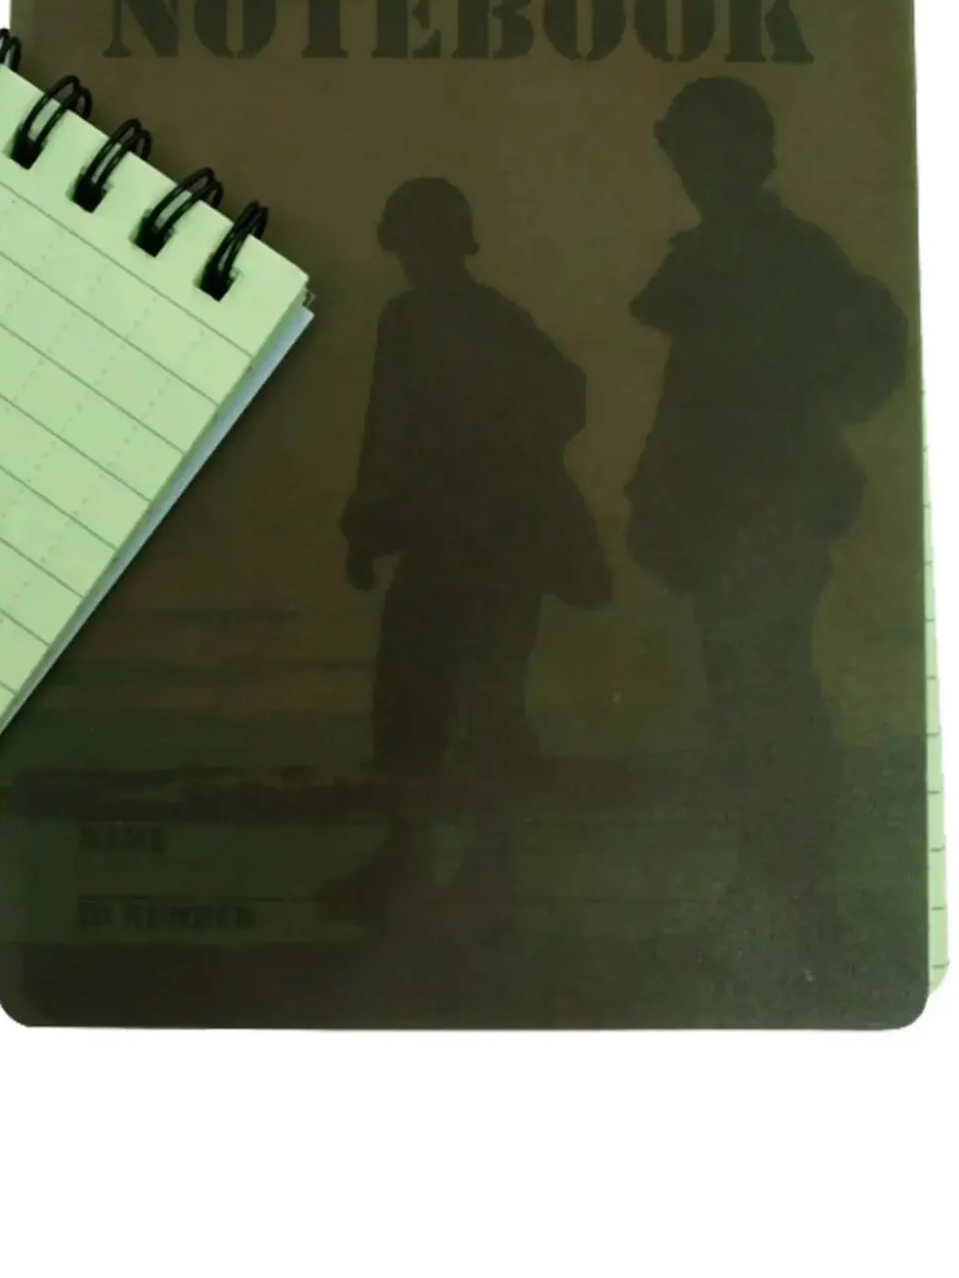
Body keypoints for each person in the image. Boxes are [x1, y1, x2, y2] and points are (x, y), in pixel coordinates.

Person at [626, 77, 906, 980]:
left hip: (758, 512)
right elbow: (698, 395)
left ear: (747, 154)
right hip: (747, 512)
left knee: (766, 702)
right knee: (761, 700)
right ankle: (783, 894)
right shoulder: (768, 251)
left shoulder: (758, 256)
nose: (691, 165)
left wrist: (670, 490)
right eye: (686, 148)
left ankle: (791, 899)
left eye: (705, 147)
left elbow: (721, 398)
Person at [328, 177, 608, 928]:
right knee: (456, 706)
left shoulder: (428, 321)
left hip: (470, 545)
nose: (414, 255)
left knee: (441, 707)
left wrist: (373, 528)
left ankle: (451, 866)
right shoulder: (468, 317)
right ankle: (458, 867)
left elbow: (388, 436)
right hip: (475, 545)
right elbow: (393, 434)